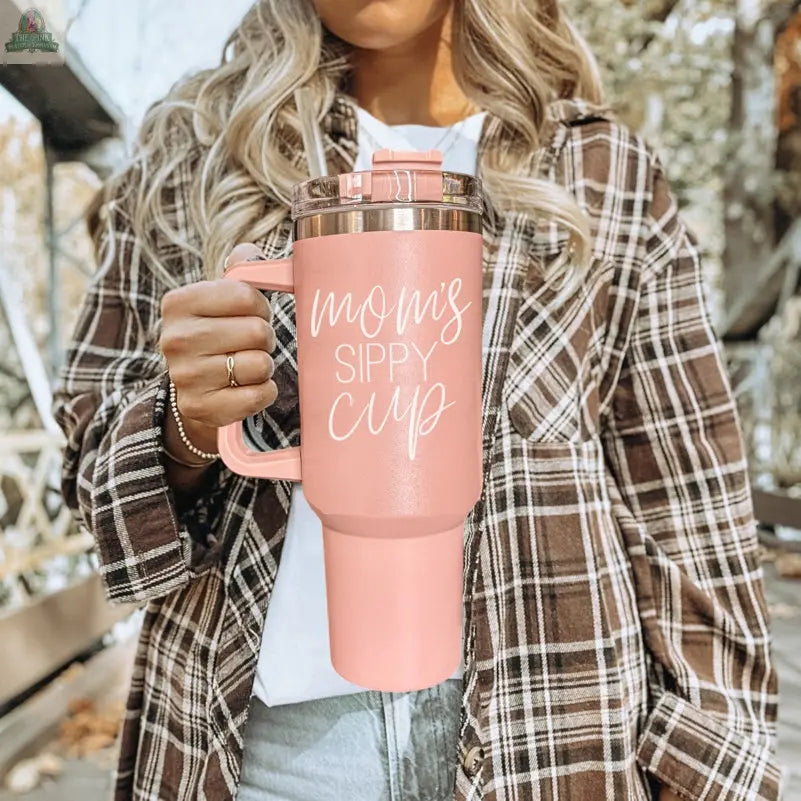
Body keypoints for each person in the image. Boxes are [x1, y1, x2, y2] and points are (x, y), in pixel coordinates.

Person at [52, 1, 782, 800]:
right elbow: (91, 465)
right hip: (262, 753)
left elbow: (687, 501)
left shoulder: (600, 169)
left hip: (555, 739)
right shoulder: (194, 146)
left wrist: (710, 760)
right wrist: (185, 425)